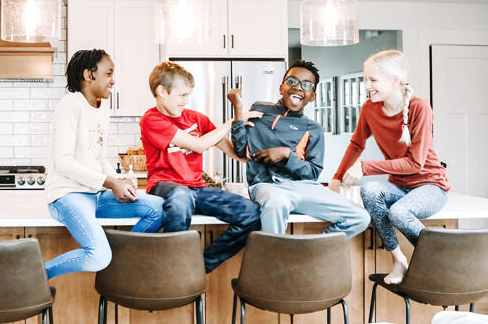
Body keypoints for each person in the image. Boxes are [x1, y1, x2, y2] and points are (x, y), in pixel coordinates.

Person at [329, 50, 450, 285]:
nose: (367, 86)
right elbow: (356, 145)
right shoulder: (369, 109)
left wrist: (366, 167)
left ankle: (439, 260)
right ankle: (399, 259)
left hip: (431, 186)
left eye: (373, 80)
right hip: (400, 186)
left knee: (399, 212)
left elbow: (416, 163)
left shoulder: (419, 108)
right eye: (366, 79)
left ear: (395, 80)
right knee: (370, 190)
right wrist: (336, 180)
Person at [44, 49, 164, 279]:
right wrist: (111, 182)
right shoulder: (71, 105)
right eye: (108, 73)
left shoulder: (103, 108)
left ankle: (113, 260)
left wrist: (120, 182)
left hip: (96, 193)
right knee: (97, 255)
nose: (113, 80)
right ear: (89, 75)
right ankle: (35, 275)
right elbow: (63, 163)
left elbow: (99, 159)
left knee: (157, 208)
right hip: (68, 195)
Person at [140, 61, 261, 273]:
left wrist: (259, 153)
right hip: (165, 185)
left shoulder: (198, 119)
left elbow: (233, 152)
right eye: (182, 95)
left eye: (189, 95)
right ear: (161, 91)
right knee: (180, 198)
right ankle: (173, 269)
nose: (186, 101)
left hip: (197, 189)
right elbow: (198, 144)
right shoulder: (151, 120)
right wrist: (233, 120)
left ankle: (201, 265)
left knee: (252, 212)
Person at [228, 59, 370, 238]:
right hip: (266, 185)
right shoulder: (259, 110)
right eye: (292, 81)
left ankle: (309, 253)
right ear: (281, 88)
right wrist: (238, 110)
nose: (298, 87)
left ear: (313, 96)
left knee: (360, 217)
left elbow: (313, 173)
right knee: (276, 202)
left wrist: (287, 156)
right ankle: (273, 264)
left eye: (307, 85)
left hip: (305, 188)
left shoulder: (313, 128)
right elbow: (241, 150)